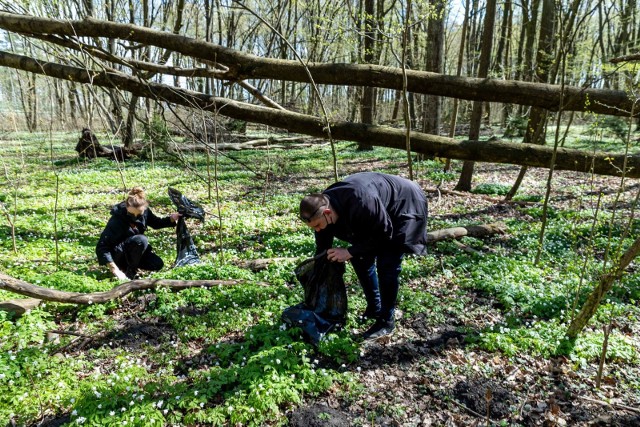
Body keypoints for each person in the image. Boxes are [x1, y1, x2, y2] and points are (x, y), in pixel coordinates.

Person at [299, 172, 428, 340]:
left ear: (328, 213)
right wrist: (319, 270)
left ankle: (386, 321)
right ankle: (374, 308)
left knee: (387, 263)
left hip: (405, 204)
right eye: (312, 228)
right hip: (374, 214)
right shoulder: (321, 209)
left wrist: (348, 252)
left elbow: (384, 234)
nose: (317, 230)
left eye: (317, 225)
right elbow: (322, 246)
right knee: (360, 260)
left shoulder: (361, 201)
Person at [96, 187, 181, 280]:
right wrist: (114, 269)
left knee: (156, 264)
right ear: (126, 207)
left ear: (144, 208)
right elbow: (102, 247)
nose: (135, 217)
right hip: (118, 254)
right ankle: (129, 270)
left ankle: (131, 266)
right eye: (131, 214)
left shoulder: (145, 212)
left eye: (139, 215)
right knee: (141, 240)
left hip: (134, 251)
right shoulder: (117, 219)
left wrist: (171, 219)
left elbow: (156, 223)